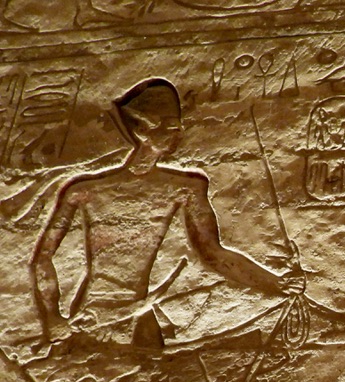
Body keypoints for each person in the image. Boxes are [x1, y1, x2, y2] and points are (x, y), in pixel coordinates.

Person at [32, 77, 303, 348]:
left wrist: (275, 283)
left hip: (141, 313)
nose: (179, 133)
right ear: (143, 130)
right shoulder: (84, 191)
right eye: (171, 126)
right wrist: (52, 317)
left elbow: (214, 254)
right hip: (93, 317)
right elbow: (42, 257)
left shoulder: (185, 188)